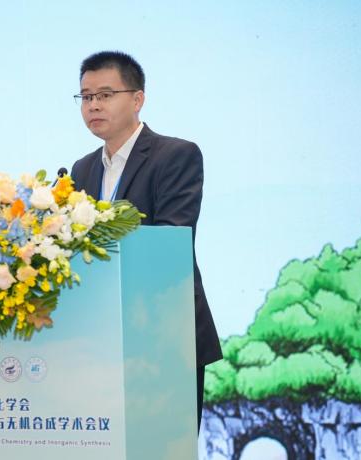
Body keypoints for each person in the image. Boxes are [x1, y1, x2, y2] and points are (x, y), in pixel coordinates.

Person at [70, 51, 222, 429]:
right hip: (98, 341)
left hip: (164, 335)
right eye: (86, 97)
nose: (93, 105)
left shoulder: (176, 155)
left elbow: (171, 239)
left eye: (105, 95)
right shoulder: (82, 169)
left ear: (137, 99)